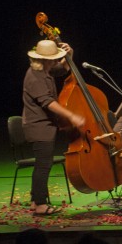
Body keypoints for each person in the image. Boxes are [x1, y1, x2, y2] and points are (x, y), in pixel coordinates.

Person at [21, 39, 85, 215]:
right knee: (43, 165)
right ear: (45, 60)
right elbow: (48, 102)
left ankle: (35, 201)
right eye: (54, 58)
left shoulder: (44, 70)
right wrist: (71, 115)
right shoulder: (34, 76)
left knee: (42, 164)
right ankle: (41, 204)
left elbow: (63, 68)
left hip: (44, 126)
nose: (56, 61)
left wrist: (69, 54)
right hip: (38, 126)